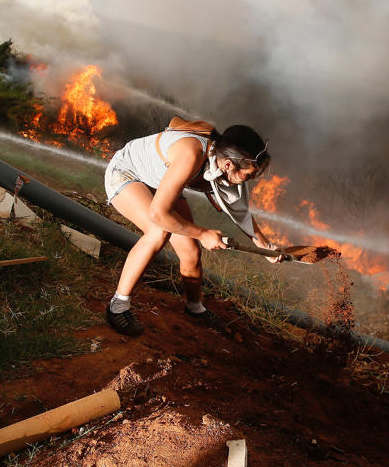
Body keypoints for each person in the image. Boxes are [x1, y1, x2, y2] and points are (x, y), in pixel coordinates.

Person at [103, 116, 280, 337]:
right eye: (247, 175)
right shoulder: (191, 155)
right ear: (228, 164)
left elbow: (239, 211)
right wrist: (203, 233)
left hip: (162, 182)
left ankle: (194, 308)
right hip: (126, 173)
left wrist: (267, 248)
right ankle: (117, 307)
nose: (248, 180)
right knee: (159, 231)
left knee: (190, 251)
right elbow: (158, 214)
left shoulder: (222, 161)